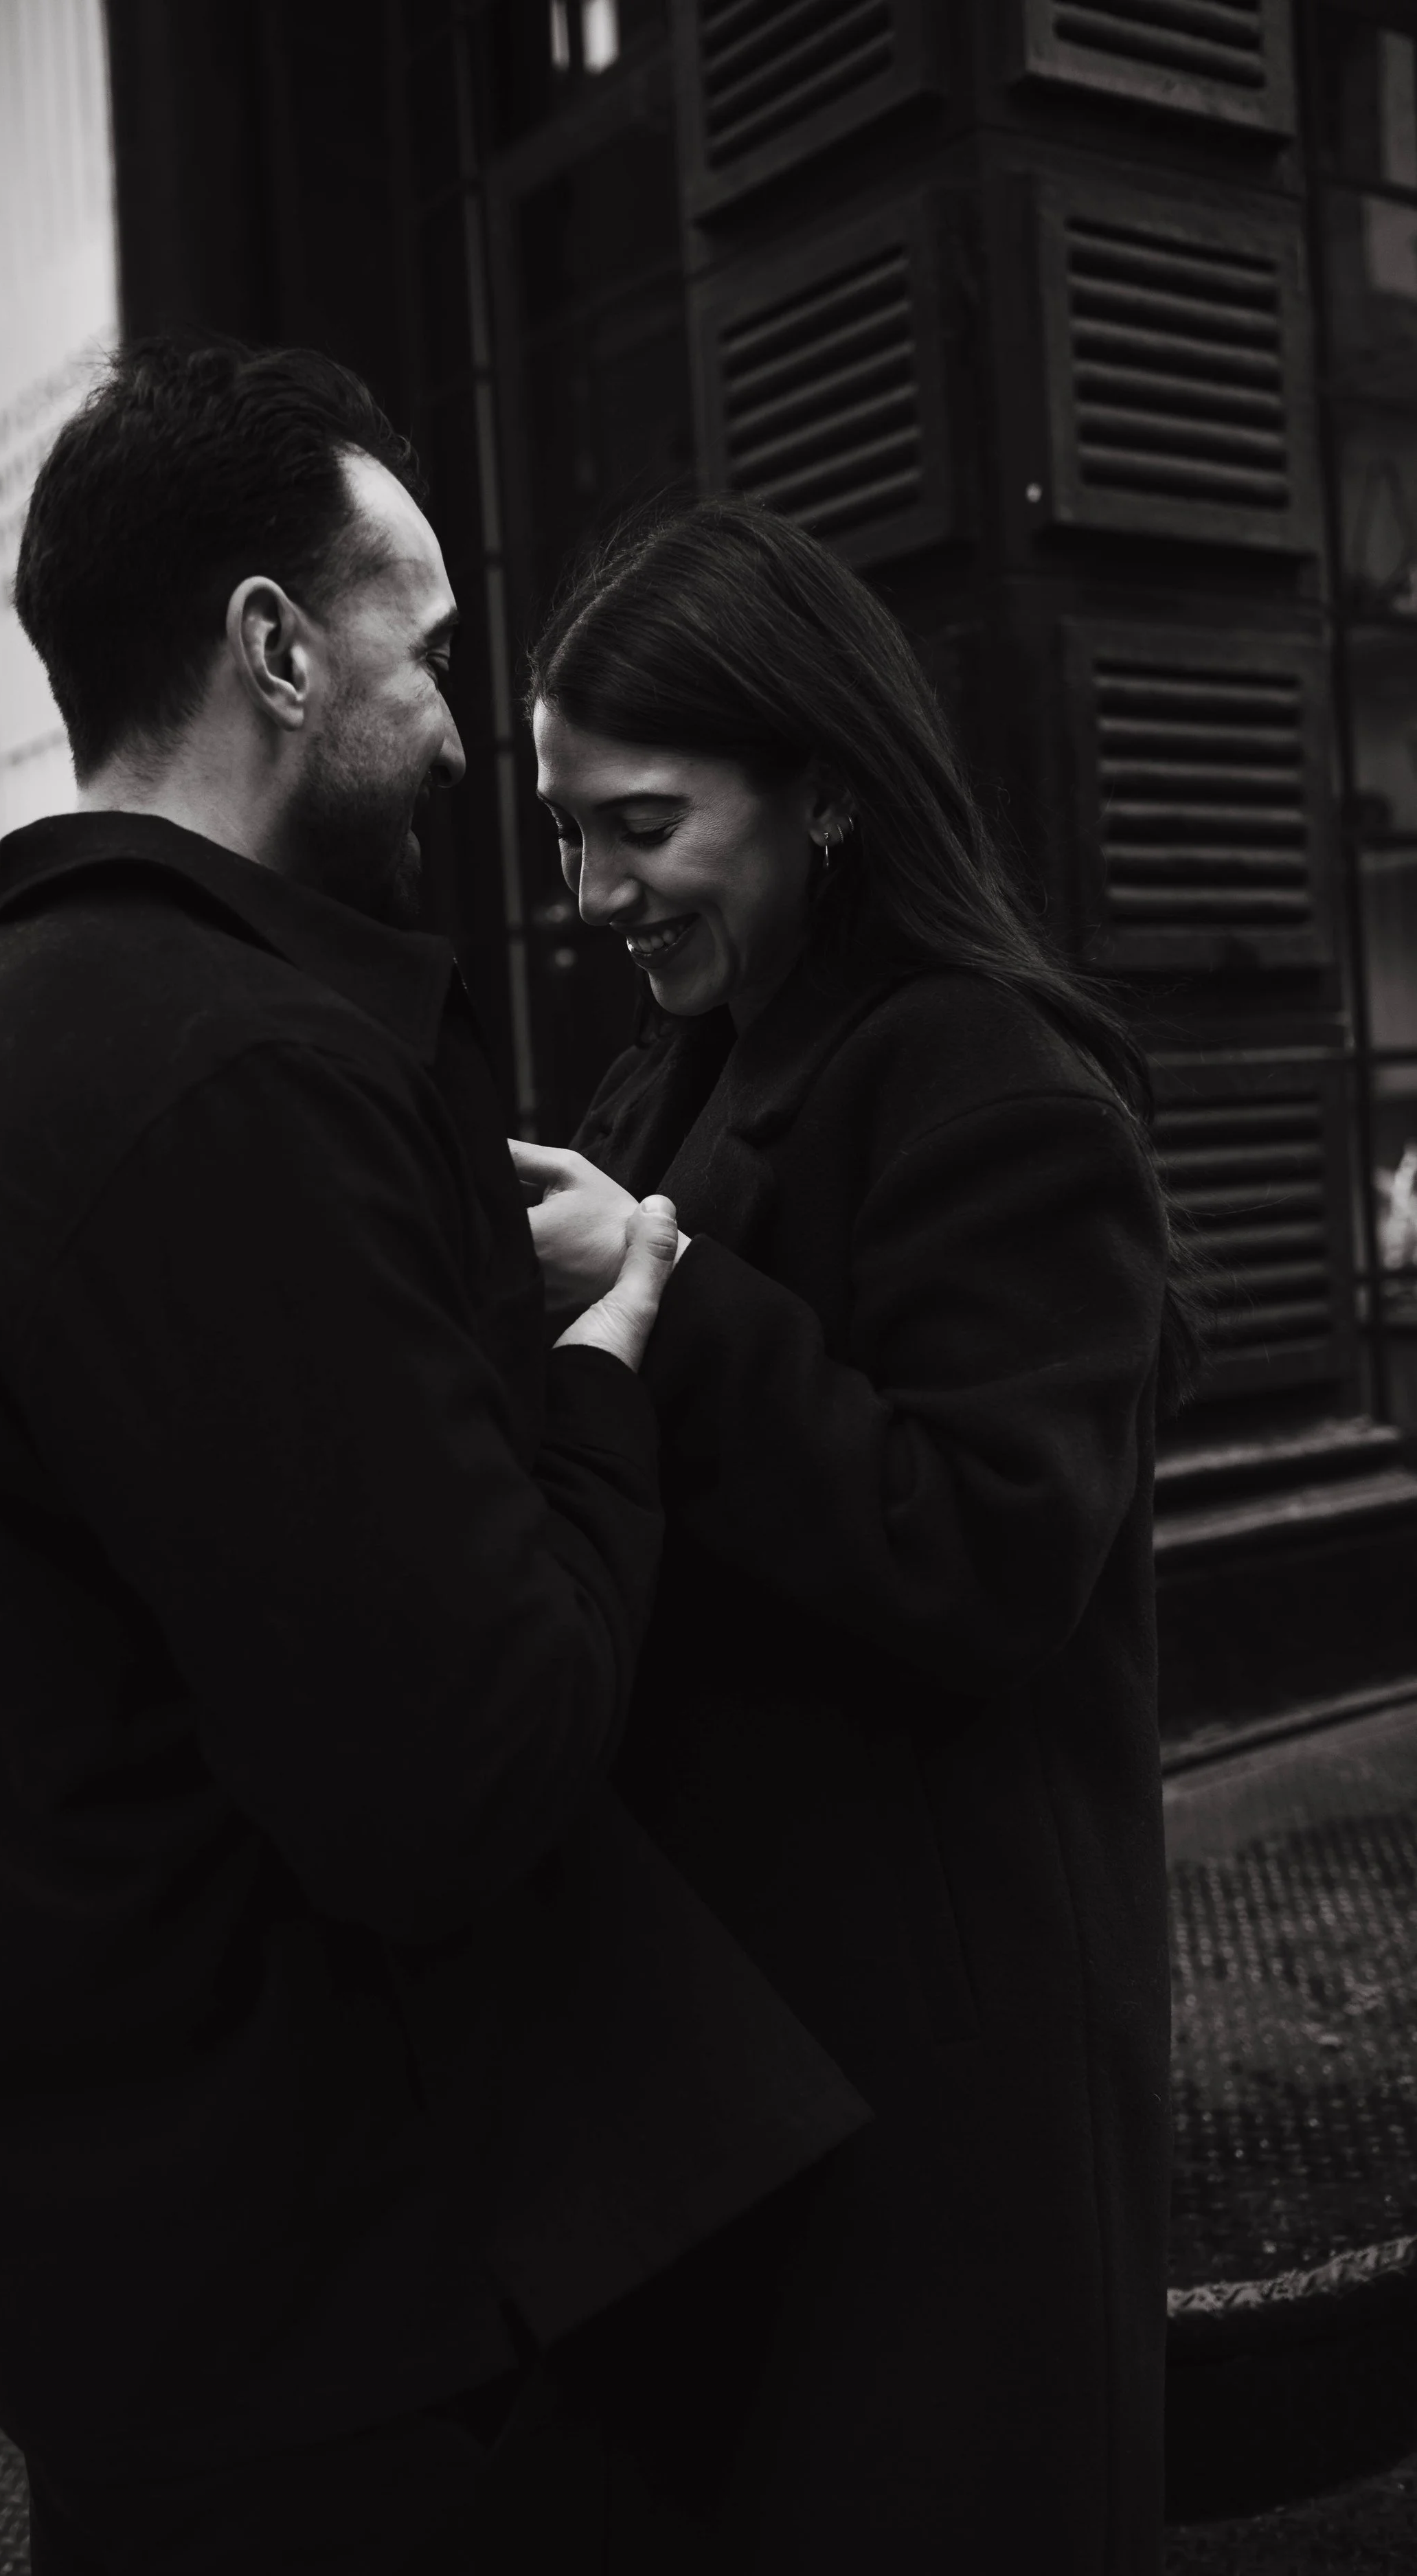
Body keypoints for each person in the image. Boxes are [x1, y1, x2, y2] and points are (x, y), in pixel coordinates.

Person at [0, 351, 865, 2574]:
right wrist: (597, 1366)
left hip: (127, 2287)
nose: (470, 733)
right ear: (277, 648)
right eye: (434, 650)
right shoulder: (226, 1076)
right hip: (332, 2346)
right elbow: (463, 1768)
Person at [512, 495, 1197, 2573]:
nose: (587, 888)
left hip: (932, 2080)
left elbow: (987, 1553)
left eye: (639, 823)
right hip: (746, 2064)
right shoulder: (683, 1067)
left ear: (818, 791)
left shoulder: (995, 1083)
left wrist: (659, 1296)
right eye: (562, 831)